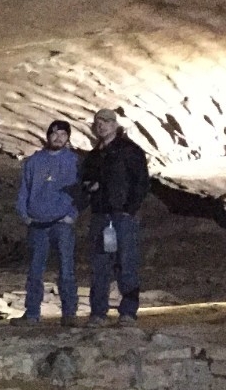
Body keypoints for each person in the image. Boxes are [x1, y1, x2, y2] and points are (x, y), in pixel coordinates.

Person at [81, 108, 150, 326]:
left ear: (115, 125)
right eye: (98, 122)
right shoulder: (93, 156)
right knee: (100, 265)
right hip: (101, 216)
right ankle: (98, 312)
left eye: (106, 122)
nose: (102, 125)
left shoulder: (130, 151)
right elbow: (86, 180)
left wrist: (130, 209)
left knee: (126, 263)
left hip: (122, 217)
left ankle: (128, 311)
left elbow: (141, 182)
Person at [16, 120, 81, 326]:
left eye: (63, 134)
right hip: (37, 223)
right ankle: (32, 313)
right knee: (35, 270)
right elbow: (24, 189)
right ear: (48, 136)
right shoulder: (34, 161)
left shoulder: (74, 161)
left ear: (68, 137)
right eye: (54, 133)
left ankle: (69, 313)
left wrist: (72, 214)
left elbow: (81, 191)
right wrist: (25, 214)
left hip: (62, 222)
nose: (58, 137)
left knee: (66, 268)